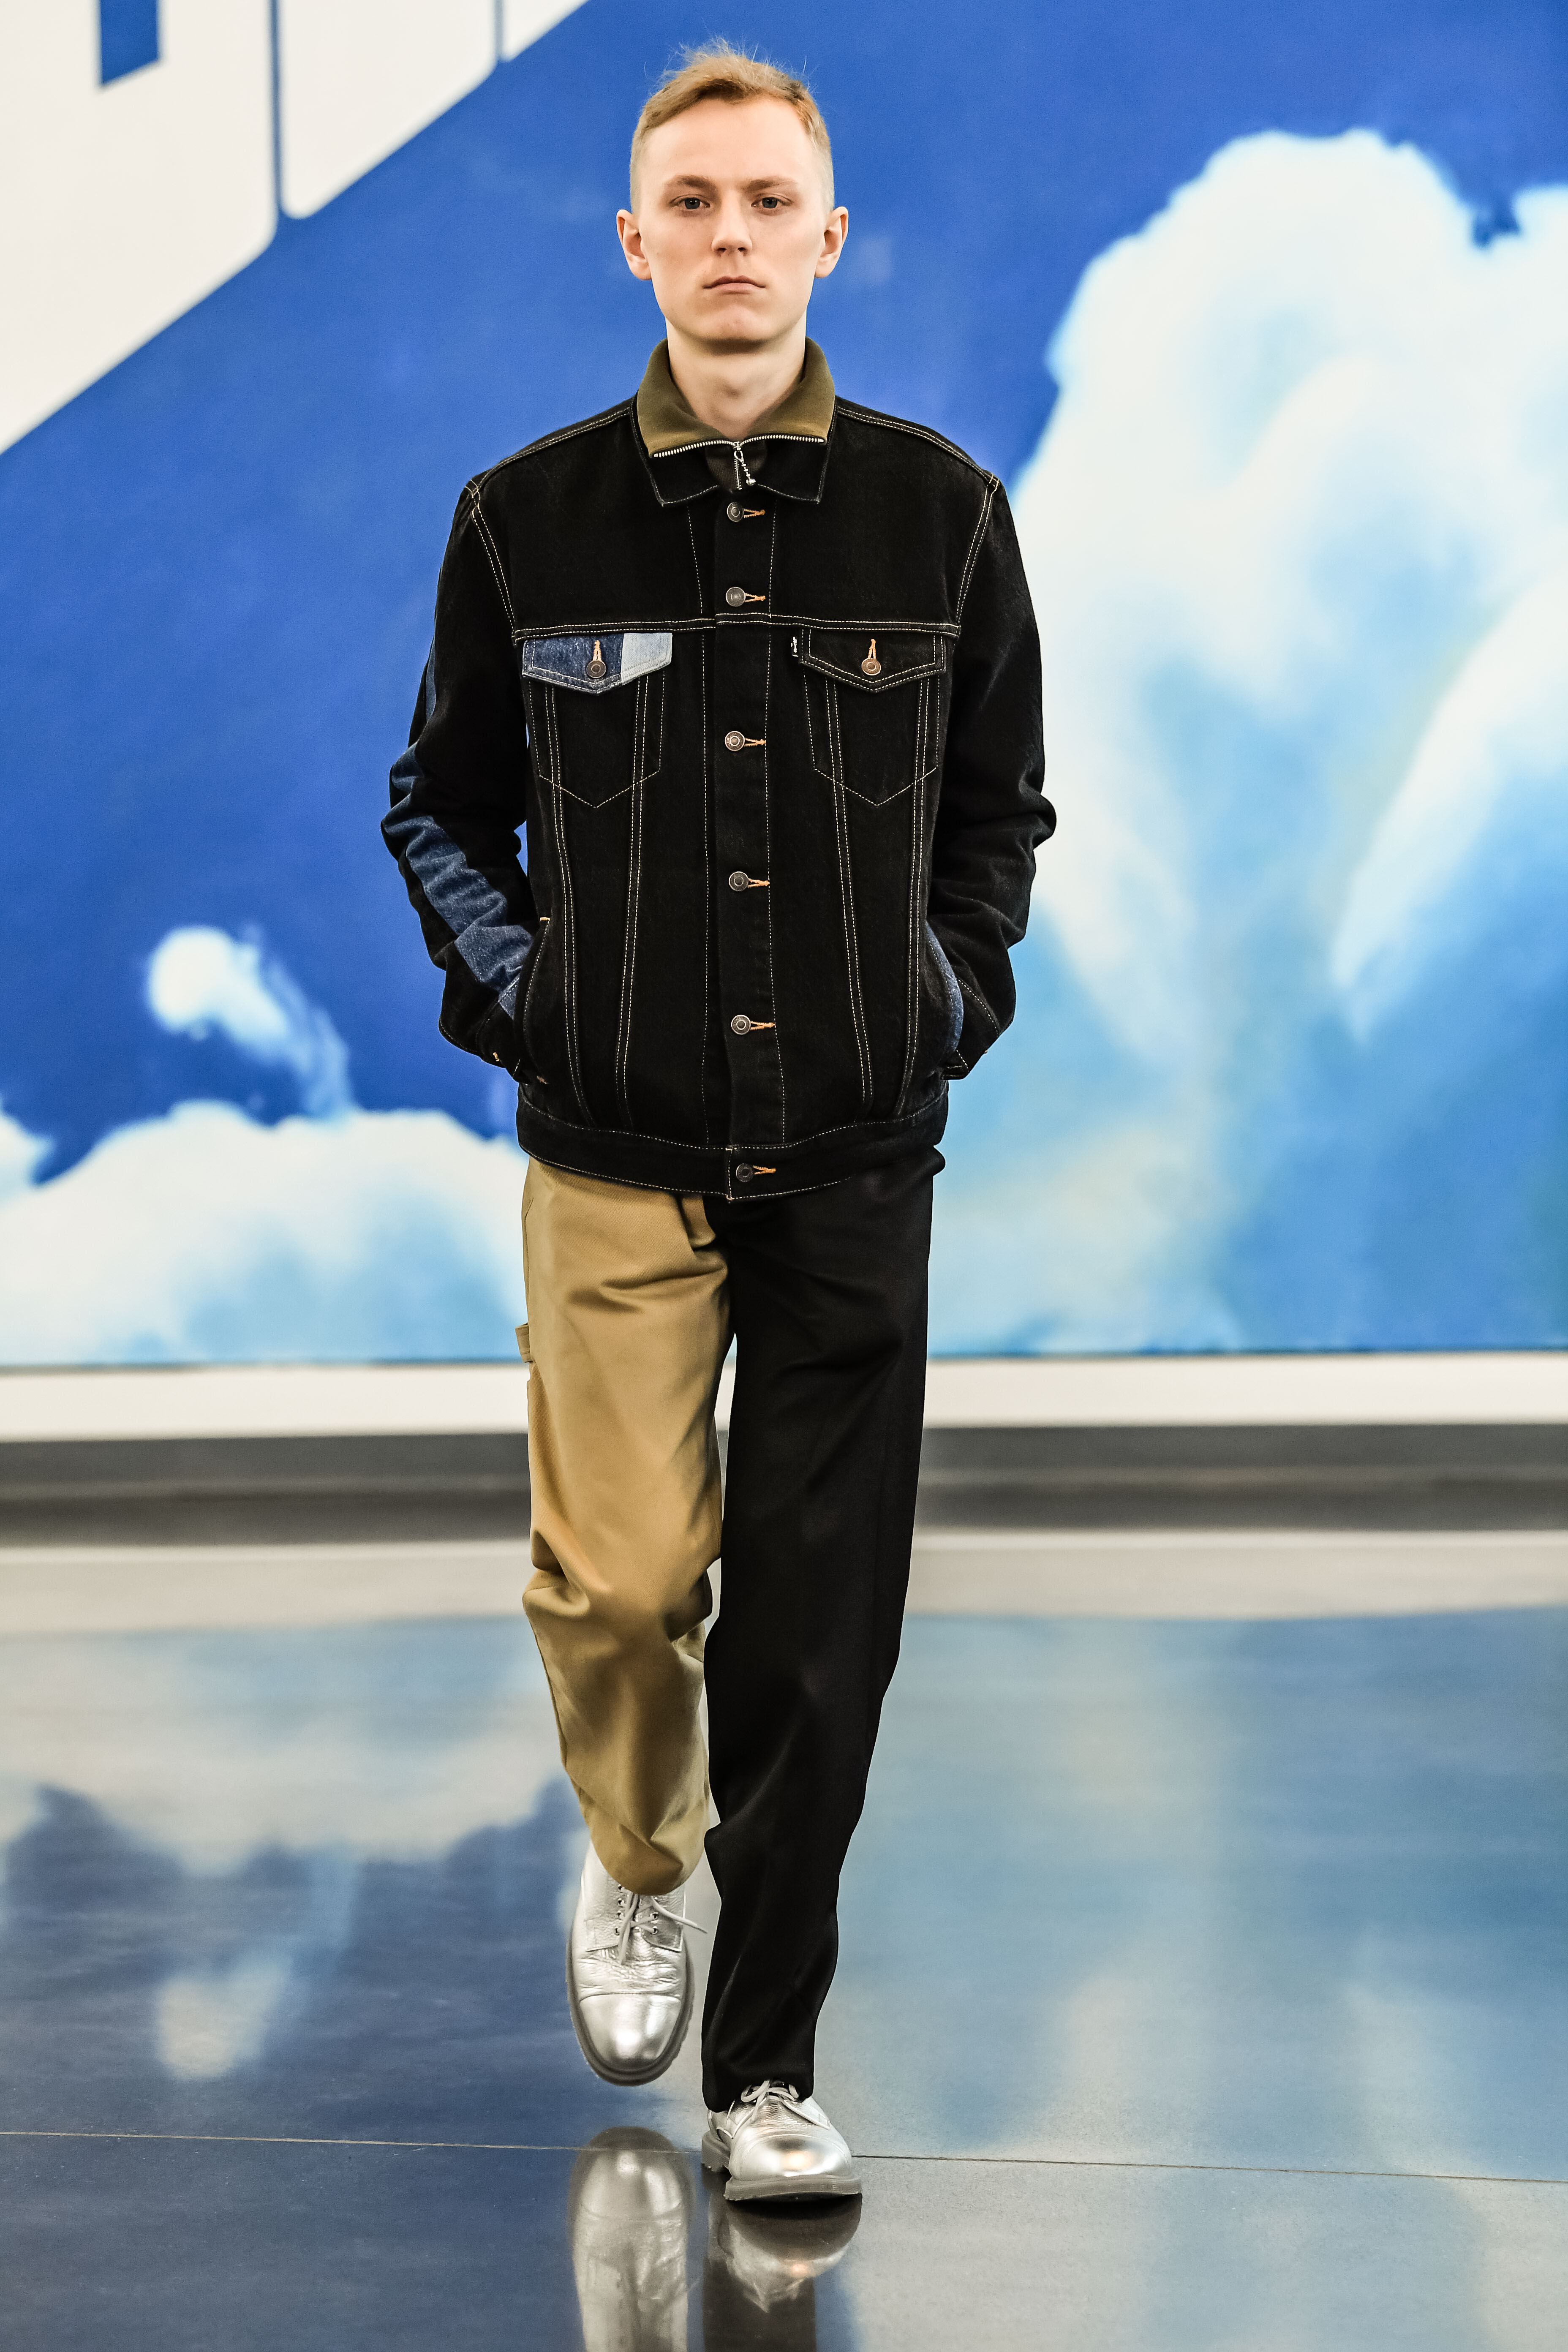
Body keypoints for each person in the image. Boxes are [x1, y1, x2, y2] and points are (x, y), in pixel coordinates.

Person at [384, 43, 1051, 2204]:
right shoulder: (525, 519)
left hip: (854, 1154)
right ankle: (636, 1855)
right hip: (615, 1146)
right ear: (635, 243)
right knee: (621, 1588)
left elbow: (996, 821)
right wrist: (538, 1003)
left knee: (813, 1633)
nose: (732, 237)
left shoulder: (942, 517)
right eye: (693, 203)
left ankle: (763, 2073)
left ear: (827, 237)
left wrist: (939, 1006)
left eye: (770, 202)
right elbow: (438, 805)